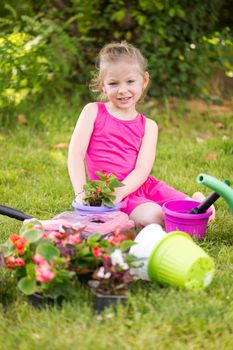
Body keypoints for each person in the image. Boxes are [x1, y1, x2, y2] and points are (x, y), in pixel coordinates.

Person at [68, 41, 214, 227]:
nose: (123, 90)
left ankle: (199, 201)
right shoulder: (93, 112)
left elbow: (142, 170)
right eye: (113, 83)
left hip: (143, 185)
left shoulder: (149, 126)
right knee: (157, 217)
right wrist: (81, 194)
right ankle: (151, 212)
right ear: (103, 85)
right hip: (110, 192)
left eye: (130, 81)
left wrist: (120, 192)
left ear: (144, 81)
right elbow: (76, 154)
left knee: (197, 213)